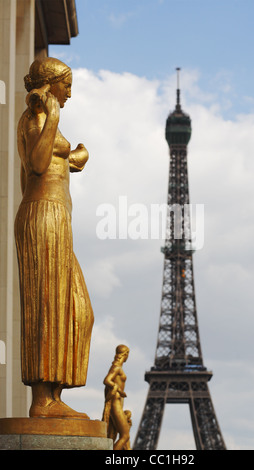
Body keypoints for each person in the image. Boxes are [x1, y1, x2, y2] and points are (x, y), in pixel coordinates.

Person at [14, 57, 94, 419]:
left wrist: (77, 155)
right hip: (43, 215)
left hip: (57, 219)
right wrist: (55, 121)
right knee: (47, 305)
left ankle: (55, 395)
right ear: (52, 83)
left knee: (78, 311)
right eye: (67, 85)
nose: (70, 93)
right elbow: (38, 163)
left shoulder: (43, 119)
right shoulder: (36, 117)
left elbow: (65, 161)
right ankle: (42, 400)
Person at [102, 345, 131, 450]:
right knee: (125, 435)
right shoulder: (117, 367)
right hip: (116, 402)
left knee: (114, 434)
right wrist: (119, 390)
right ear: (126, 354)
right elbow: (107, 380)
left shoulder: (118, 367)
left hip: (117, 401)